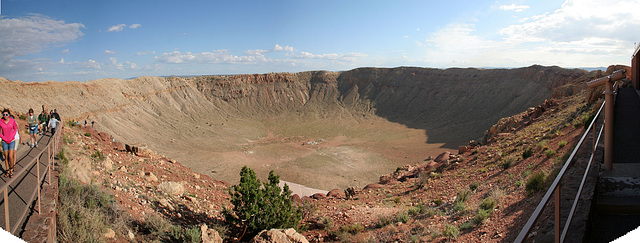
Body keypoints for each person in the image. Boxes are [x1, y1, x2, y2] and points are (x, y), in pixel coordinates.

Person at [0, 109, 18, 178]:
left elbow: (15, 129)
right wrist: (3, 137)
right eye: (4, 115)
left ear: (9, 115)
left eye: (6, 114)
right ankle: (7, 170)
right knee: (6, 156)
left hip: (11, 140)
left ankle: (11, 170)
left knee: (10, 156)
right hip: (4, 141)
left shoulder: (12, 121)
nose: (5, 116)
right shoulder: (1, 122)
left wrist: (12, 136)